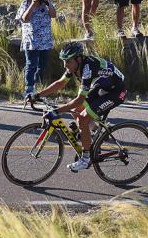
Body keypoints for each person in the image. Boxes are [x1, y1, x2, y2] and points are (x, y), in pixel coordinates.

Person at [28, 42, 127, 172]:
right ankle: (96, 133)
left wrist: (56, 111)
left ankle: (86, 159)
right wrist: (37, 95)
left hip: (116, 92)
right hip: (103, 87)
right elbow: (60, 83)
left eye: (67, 61)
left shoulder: (87, 69)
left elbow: (79, 99)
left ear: (78, 59)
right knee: (76, 112)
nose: (65, 65)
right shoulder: (75, 66)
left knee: (83, 119)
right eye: (64, 61)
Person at [15, 0, 56, 97]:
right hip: (31, 40)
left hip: (45, 40)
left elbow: (53, 15)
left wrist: (48, 4)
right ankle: (29, 89)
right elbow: (24, 19)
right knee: (31, 64)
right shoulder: (25, 4)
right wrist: (33, 5)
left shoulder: (46, 3)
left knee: (42, 65)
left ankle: (37, 87)